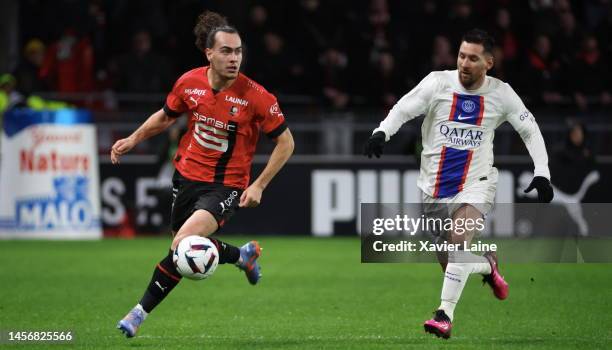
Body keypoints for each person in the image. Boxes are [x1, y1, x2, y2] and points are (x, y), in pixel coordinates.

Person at [112, 10, 294, 338]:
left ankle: (137, 314)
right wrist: (133, 139)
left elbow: (286, 142)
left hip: (226, 186)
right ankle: (243, 255)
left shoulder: (257, 96)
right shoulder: (189, 82)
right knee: (183, 250)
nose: (234, 58)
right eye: (226, 51)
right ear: (209, 53)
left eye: (238, 51)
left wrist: (259, 184)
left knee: (182, 245)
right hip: (185, 178)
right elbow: (166, 116)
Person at [363, 29, 553, 339]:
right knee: (455, 260)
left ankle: (443, 314)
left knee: (457, 242)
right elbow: (404, 107)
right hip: (433, 189)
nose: (465, 63)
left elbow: (530, 130)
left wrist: (542, 171)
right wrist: (382, 131)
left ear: (488, 63)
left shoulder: (501, 94)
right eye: (462, 55)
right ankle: (487, 265)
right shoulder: (438, 82)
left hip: (476, 183)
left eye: (473, 58)